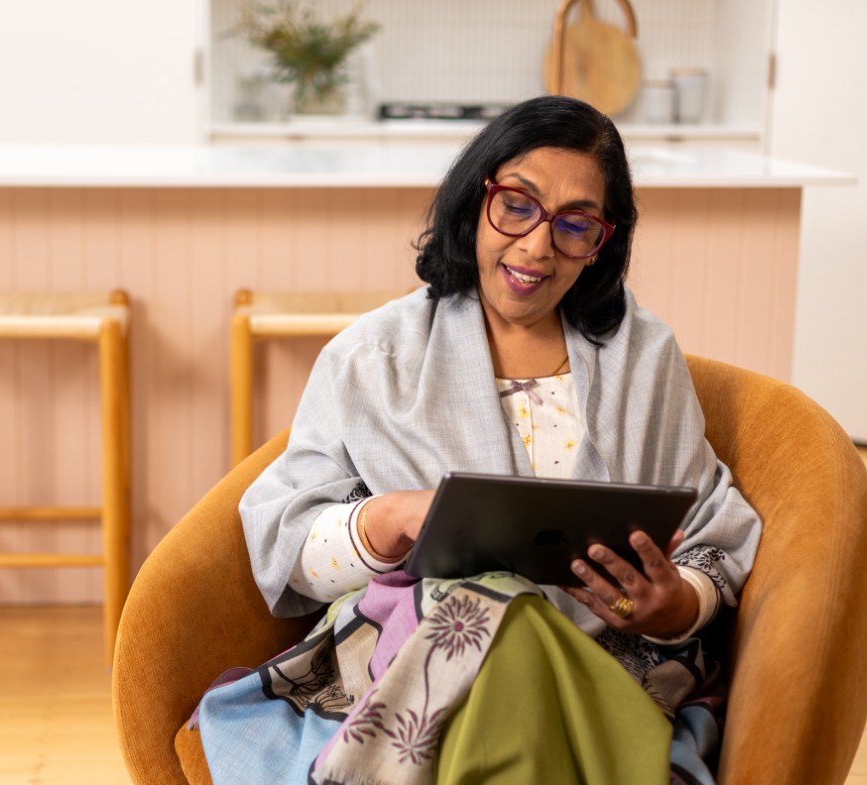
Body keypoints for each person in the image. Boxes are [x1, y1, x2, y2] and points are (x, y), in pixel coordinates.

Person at [194, 95, 762, 785]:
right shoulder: (372, 357)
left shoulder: (645, 359)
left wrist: (679, 603)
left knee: (507, 623)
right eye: (517, 205)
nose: (537, 246)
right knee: (484, 610)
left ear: (603, 241)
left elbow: (715, 530)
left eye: (575, 224)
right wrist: (386, 520)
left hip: (601, 669)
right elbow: (285, 542)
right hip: (412, 665)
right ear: (475, 200)